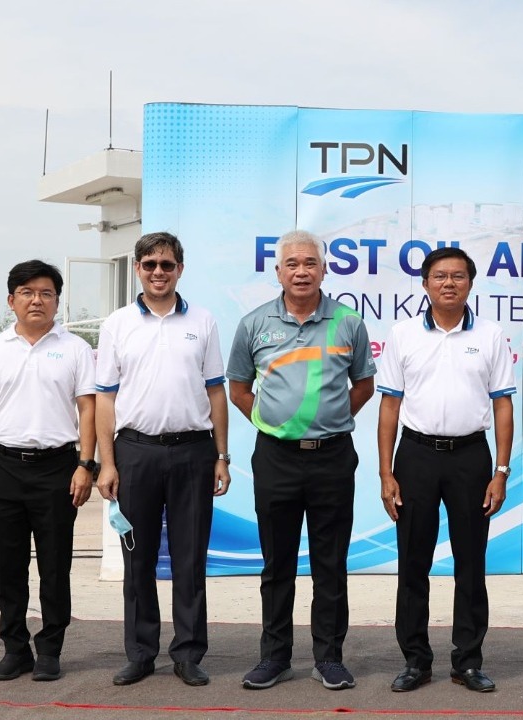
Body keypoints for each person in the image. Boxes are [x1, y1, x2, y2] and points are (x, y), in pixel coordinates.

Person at [226, 230, 375, 692]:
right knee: (277, 564)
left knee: (330, 563)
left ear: (324, 270)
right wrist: (274, 423)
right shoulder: (253, 324)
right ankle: (275, 657)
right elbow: (238, 388)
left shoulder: (349, 323)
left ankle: (329, 658)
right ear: (278, 272)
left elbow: (364, 385)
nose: (301, 271)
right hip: (276, 459)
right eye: (292, 264)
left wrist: (328, 420)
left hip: (333, 458)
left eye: (310, 263)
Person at [95, 232, 231, 688]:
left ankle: (188, 654)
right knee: (139, 558)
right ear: (137, 268)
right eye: (150, 264)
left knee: (190, 558)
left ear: (180, 269)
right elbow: (105, 398)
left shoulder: (203, 321)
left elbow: (216, 391)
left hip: (194, 451)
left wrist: (221, 456)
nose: (158, 272)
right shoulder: (117, 324)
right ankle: (140, 653)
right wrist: (107, 463)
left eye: (167, 264)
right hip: (135, 453)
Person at [377, 247, 514, 694]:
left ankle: (468, 662)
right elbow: (390, 405)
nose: (448, 283)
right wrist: (385, 472)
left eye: (458, 276)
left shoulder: (491, 335)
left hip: (471, 457)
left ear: (470, 284)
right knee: (412, 562)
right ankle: (415, 661)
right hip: (415, 456)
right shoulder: (402, 334)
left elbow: (502, 405)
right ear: (425, 284)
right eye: (439, 276)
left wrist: (501, 471)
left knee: (470, 564)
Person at [0, 260, 96, 682]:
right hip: (3, 468)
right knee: (9, 567)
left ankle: (50, 649)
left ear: (57, 300)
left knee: (55, 566)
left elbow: (88, 408)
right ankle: (15, 649)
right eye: (27, 292)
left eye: (46, 293)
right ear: (11, 300)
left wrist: (86, 464)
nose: (37, 300)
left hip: (58, 469)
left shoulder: (75, 348)